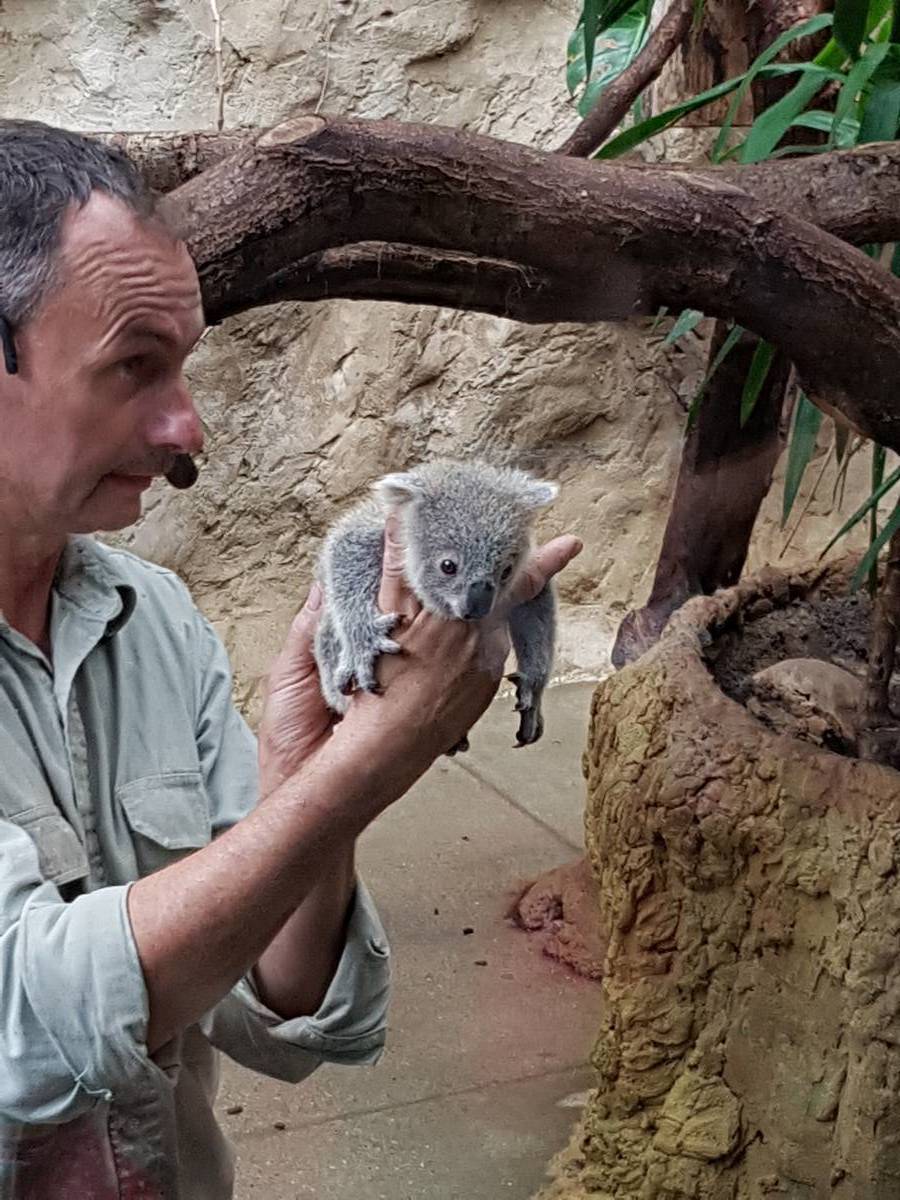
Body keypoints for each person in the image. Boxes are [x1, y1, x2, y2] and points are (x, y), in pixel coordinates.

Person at [0, 119, 582, 1199]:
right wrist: (366, 769)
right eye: (135, 366)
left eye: (184, 368)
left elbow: (282, 1021)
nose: (189, 428)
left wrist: (312, 771)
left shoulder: (152, 621)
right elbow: (23, 1033)